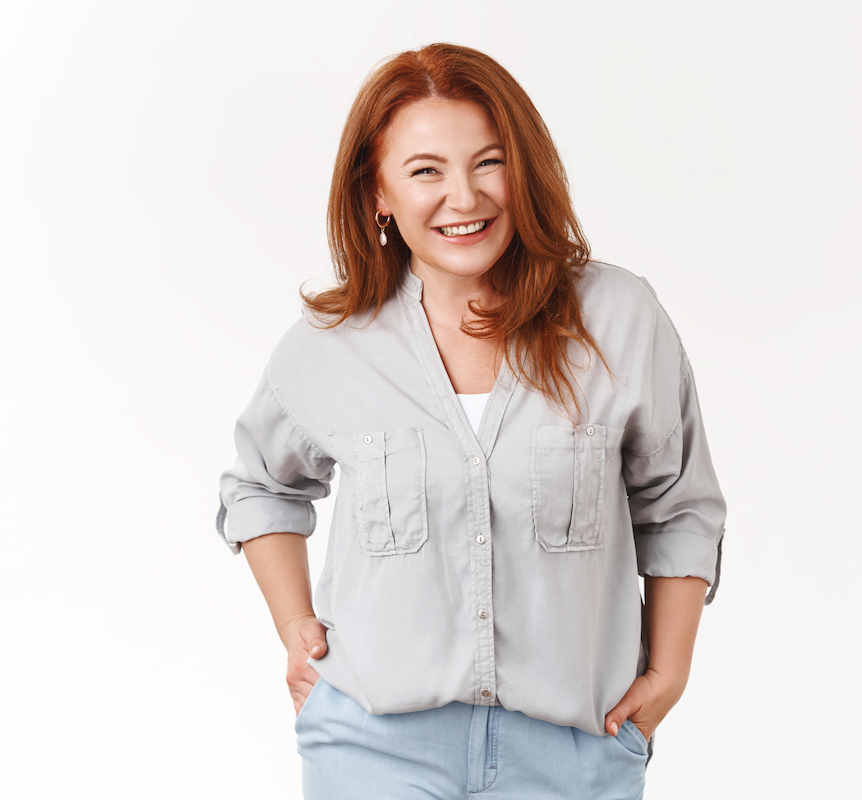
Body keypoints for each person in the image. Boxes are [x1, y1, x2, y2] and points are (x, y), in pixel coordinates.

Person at [217, 43, 726, 799]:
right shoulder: (331, 347)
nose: (465, 198)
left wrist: (670, 671)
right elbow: (258, 486)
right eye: (426, 171)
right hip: (373, 749)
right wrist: (296, 628)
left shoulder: (620, 321)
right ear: (378, 193)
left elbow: (677, 504)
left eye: (489, 163)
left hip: (573, 749)